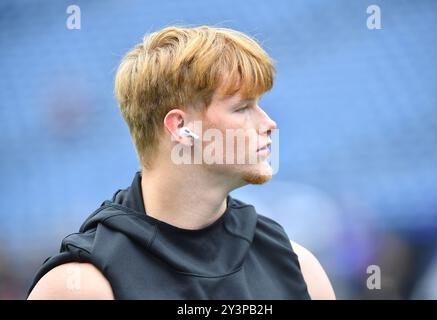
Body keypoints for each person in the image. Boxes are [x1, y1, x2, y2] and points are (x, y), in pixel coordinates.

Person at [27, 25, 335, 300]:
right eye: (242, 108)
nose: (270, 124)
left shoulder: (297, 266)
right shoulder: (81, 286)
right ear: (181, 128)